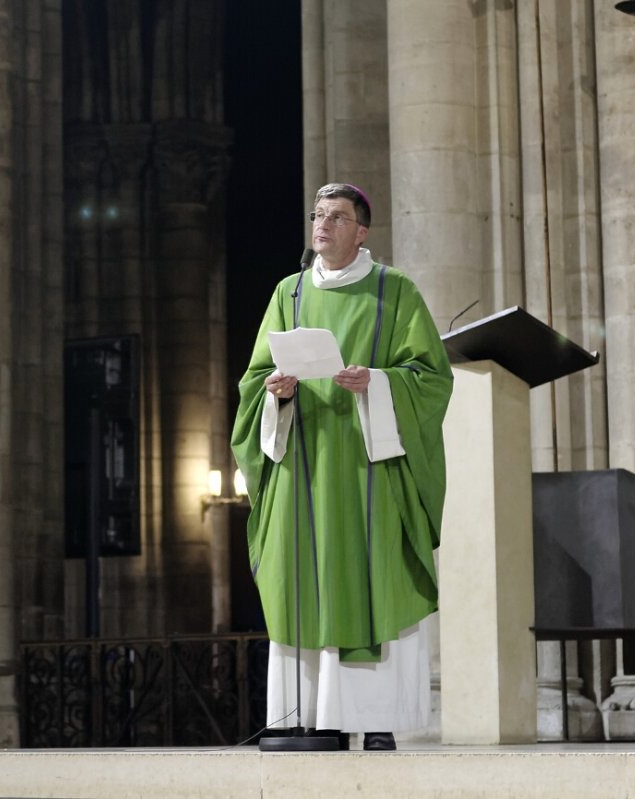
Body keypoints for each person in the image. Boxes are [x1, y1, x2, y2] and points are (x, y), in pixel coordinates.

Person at [230, 182, 452, 751]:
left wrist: (375, 382)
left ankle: (375, 723)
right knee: (302, 580)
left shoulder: (394, 290)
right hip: (305, 463)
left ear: (362, 231)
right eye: (317, 215)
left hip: (367, 470)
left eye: (337, 216)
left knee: (370, 579)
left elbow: (431, 377)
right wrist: (276, 393)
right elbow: (255, 378)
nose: (323, 224)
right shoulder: (291, 292)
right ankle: (309, 720)